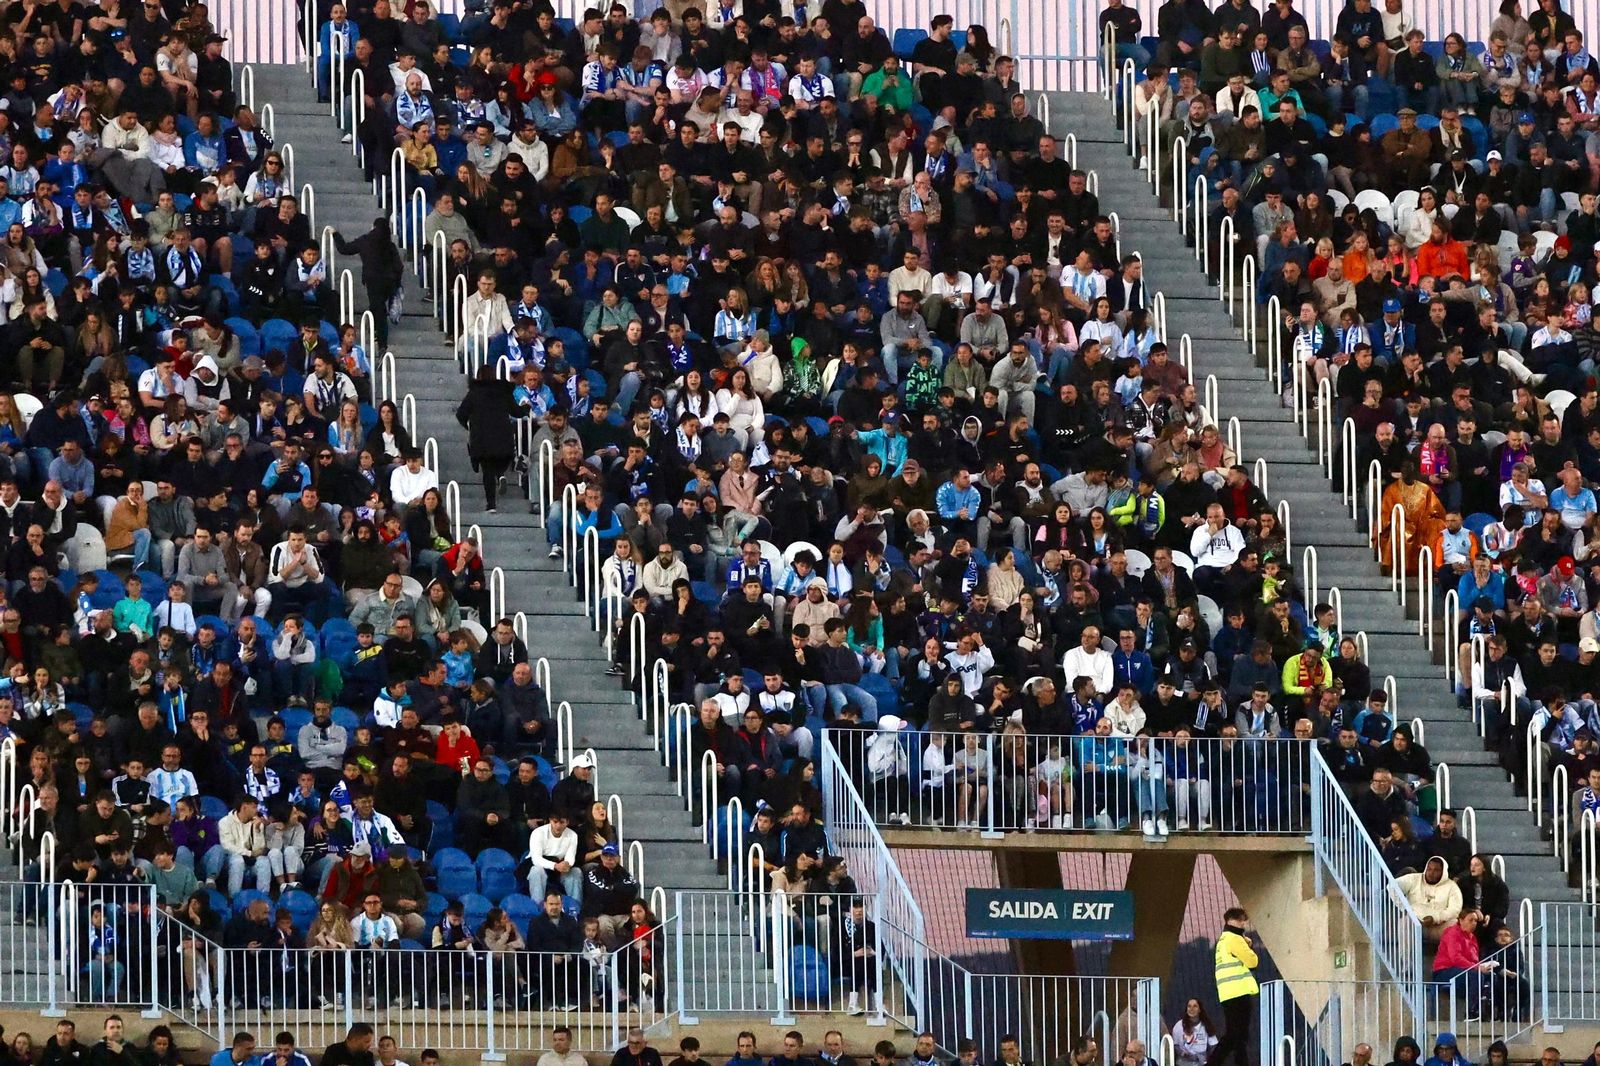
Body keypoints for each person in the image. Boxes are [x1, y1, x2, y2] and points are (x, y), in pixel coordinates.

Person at [333, 220, 406, 347]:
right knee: (378, 307)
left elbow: (344, 249)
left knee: (379, 310)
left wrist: (335, 234)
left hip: (373, 281)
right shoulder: (390, 245)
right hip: (389, 281)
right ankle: (374, 330)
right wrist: (397, 283)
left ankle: (382, 343)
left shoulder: (365, 241)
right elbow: (399, 266)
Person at [1208, 907, 1259, 1066]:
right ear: (1237, 920)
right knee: (1240, 1037)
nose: (1244, 924)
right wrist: (1248, 946)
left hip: (1227, 993)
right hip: (1239, 992)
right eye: (1243, 920)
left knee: (1232, 1036)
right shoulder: (1234, 939)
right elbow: (1253, 961)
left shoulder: (1222, 940)